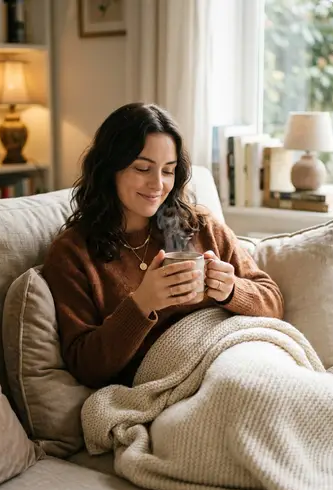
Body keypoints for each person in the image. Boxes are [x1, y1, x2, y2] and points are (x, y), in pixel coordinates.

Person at [42, 102, 284, 389]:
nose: (157, 184)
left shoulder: (200, 226)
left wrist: (231, 290)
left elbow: (273, 302)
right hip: (172, 389)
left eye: (168, 171)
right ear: (110, 169)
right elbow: (86, 366)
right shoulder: (73, 253)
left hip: (237, 359)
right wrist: (142, 304)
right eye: (142, 168)